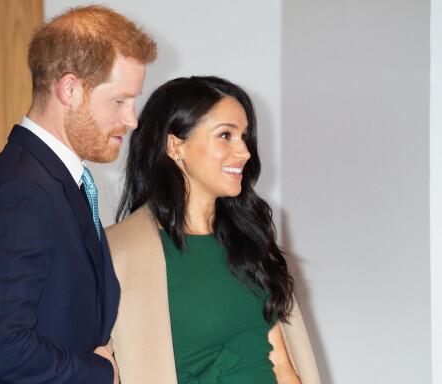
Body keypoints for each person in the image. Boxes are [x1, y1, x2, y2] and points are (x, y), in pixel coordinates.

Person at [0, 5, 156, 384]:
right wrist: (102, 372)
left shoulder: (54, 179)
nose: (132, 120)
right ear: (70, 89)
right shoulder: (21, 191)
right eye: (120, 101)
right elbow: (0, 349)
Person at [106, 76, 320, 383]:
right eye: (226, 135)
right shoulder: (123, 253)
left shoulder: (248, 241)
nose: (244, 152)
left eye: (244, 136)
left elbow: (283, 367)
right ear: (175, 145)